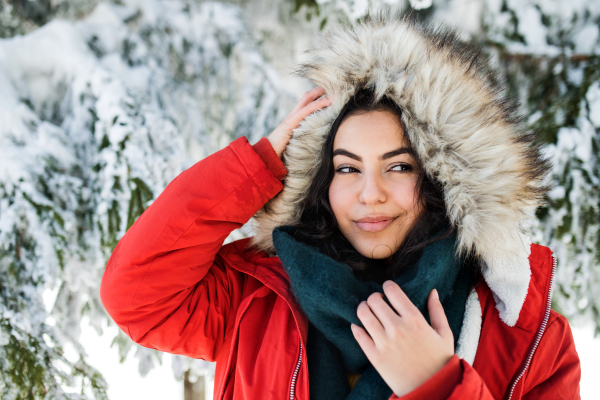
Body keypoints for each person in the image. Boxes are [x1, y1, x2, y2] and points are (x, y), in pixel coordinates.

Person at [100, 12, 581, 400]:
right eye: (347, 169)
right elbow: (137, 294)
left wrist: (436, 385)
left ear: (441, 180)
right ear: (320, 184)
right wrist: (259, 164)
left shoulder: (532, 339)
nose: (370, 194)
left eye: (399, 167)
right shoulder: (256, 298)